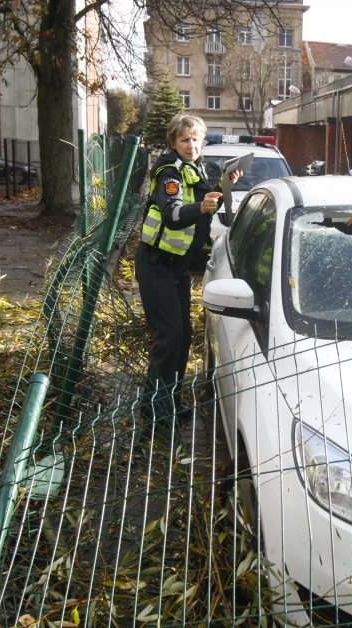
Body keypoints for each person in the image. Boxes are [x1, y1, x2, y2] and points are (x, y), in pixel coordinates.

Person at [134, 113, 241, 422]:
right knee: (168, 337)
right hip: (156, 266)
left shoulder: (197, 169)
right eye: (184, 140)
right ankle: (154, 407)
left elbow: (206, 208)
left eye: (195, 139)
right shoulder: (169, 172)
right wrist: (201, 206)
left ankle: (171, 400)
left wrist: (224, 186)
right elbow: (172, 214)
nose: (191, 145)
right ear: (173, 142)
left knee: (182, 336)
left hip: (177, 267)